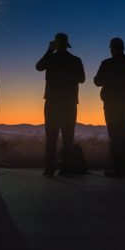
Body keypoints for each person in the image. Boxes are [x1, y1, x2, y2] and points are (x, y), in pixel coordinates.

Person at [35, 33, 85, 176]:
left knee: (51, 137)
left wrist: (49, 50)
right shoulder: (76, 60)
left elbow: (38, 67)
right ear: (67, 45)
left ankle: (50, 168)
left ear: (55, 44)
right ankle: (66, 168)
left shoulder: (50, 59)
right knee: (68, 137)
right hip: (69, 102)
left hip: (52, 102)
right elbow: (82, 79)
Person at [94, 38, 125, 178]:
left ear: (111, 48)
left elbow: (97, 81)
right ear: (123, 48)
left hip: (111, 103)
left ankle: (116, 168)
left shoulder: (107, 63)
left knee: (114, 135)